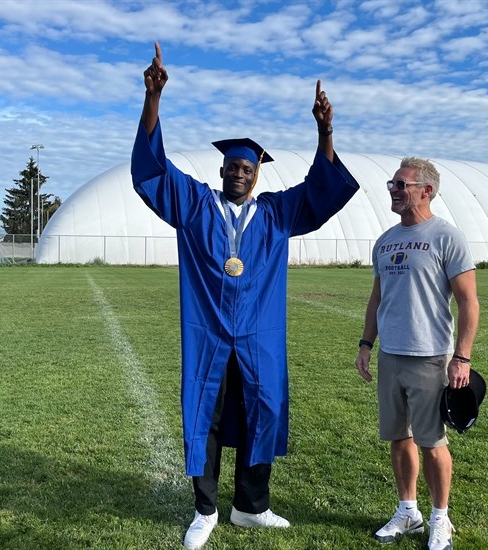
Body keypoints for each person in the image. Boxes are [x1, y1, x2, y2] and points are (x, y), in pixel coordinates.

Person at [132, 42, 359, 550]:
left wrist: (324, 130)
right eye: (233, 167)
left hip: (259, 333)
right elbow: (150, 173)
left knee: (264, 407)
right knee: (205, 413)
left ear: (257, 176)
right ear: (221, 172)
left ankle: (251, 507)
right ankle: (206, 509)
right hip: (208, 328)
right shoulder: (193, 204)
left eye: (248, 169)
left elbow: (321, 191)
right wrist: (153, 100)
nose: (239, 172)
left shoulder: (276, 214)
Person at [355, 157, 479, 550]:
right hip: (391, 355)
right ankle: (408, 512)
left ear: (426, 190)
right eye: (392, 183)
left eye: (401, 184)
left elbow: (469, 302)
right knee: (398, 438)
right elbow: (377, 298)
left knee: (432, 441)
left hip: (430, 357)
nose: (393, 189)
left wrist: (462, 357)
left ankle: (441, 519)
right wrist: (365, 344)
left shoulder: (447, 236)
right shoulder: (386, 240)